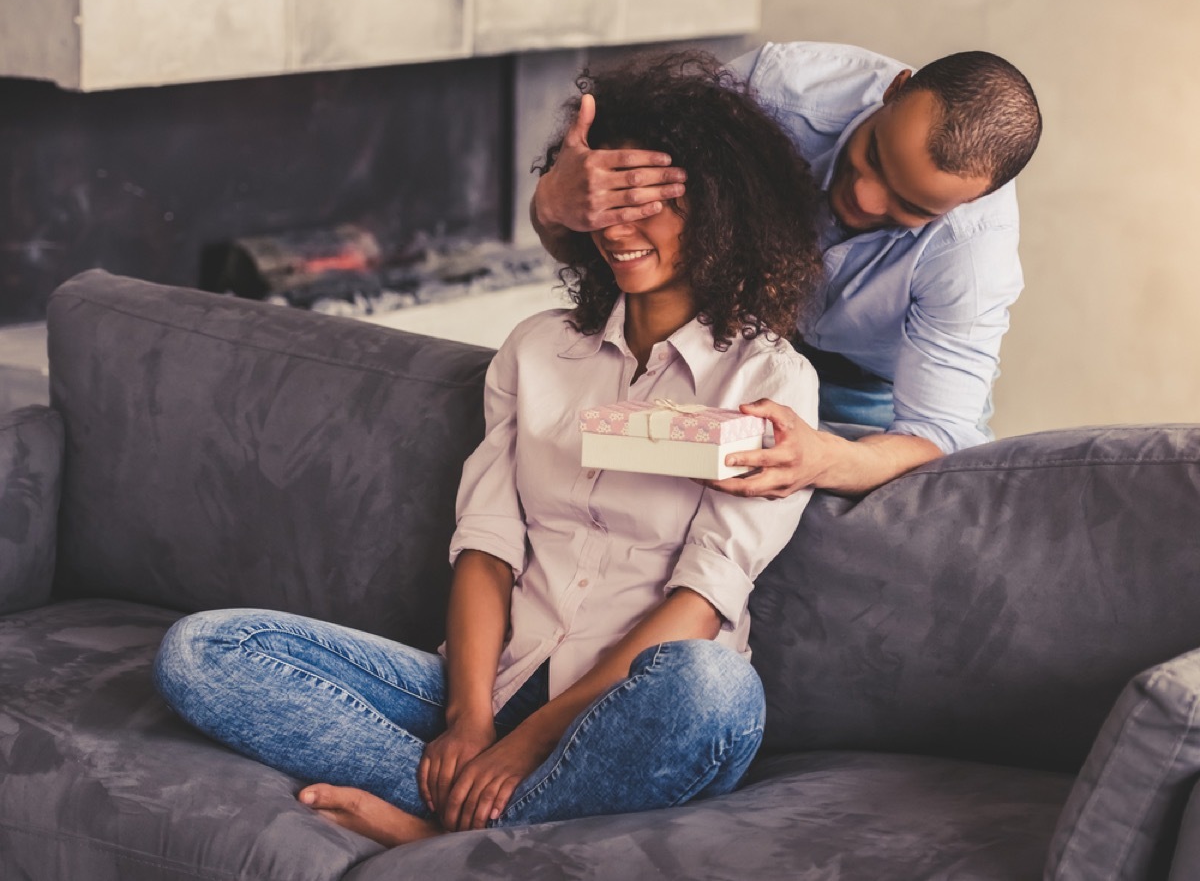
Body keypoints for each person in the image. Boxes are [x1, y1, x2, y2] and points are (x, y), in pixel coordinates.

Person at [153, 52, 823, 847]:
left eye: (649, 207)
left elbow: (702, 603)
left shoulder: (767, 379)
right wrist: (470, 721)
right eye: (605, 205)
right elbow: (487, 547)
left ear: (718, 213)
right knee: (205, 650)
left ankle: (431, 841)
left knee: (714, 688)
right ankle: (490, 834)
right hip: (504, 678)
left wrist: (525, 745)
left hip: (637, 712)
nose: (617, 229)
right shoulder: (537, 350)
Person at [531, 41, 1043, 497]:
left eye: (909, 206)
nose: (864, 199)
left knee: (925, 512)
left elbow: (936, 435)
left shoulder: (973, 254)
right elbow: (629, 242)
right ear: (895, 90)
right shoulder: (776, 90)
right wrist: (554, 203)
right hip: (738, 344)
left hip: (875, 392)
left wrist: (826, 459)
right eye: (874, 154)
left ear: (971, 201)